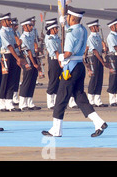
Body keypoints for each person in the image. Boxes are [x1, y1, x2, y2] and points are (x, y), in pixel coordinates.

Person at [42, 7, 107, 137]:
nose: (67, 19)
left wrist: (61, 57)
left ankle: (56, 129)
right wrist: (64, 23)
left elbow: (68, 53)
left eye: (68, 18)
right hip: (79, 66)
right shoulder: (82, 29)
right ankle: (98, 122)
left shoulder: (71, 32)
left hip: (70, 68)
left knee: (61, 98)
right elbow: (71, 30)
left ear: (72, 18)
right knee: (79, 96)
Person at [0, 13, 24, 112]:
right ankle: (2, 103)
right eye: (8, 20)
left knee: (12, 80)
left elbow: (13, 46)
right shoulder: (2, 32)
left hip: (12, 55)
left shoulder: (10, 31)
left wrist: (18, 45)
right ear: (3, 21)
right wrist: (17, 58)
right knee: (5, 79)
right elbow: (9, 46)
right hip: (6, 55)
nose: (10, 22)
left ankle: (9, 102)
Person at [19, 17, 41, 111]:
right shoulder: (23, 38)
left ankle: (30, 102)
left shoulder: (31, 36)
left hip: (33, 59)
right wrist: (34, 63)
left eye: (32, 25)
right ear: (25, 26)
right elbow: (28, 52)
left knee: (32, 81)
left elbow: (34, 49)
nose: (32, 26)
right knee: (27, 81)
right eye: (30, 25)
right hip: (27, 59)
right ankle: (22, 103)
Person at [85, 19, 108, 107]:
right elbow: (94, 50)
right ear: (92, 28)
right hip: (94, 58)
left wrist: (104, 49)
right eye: (96, 26)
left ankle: (98, 100)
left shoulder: (98, 37)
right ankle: (91, 100)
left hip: (99, 57)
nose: (98, 28)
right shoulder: (90, 38)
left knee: (99, 78)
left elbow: (99, 50)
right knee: (94, 79)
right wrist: (102, 62)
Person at [44, 21, 62, 109]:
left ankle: (55, 101)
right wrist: (60, 63)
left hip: (58, 60)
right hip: (54, 61)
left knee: (58, 81)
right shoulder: (50, 39)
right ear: (50, 30)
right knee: (53, 80)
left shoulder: (57, 38)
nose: (57, 30)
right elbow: (56, 52)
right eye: (55, 28)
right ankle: (50, 102)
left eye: (57, 28)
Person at [106, 18, 117, 106]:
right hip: (114, 57)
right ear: (112, 27)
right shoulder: (111, 36)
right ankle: (112, 100)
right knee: (113, 78)